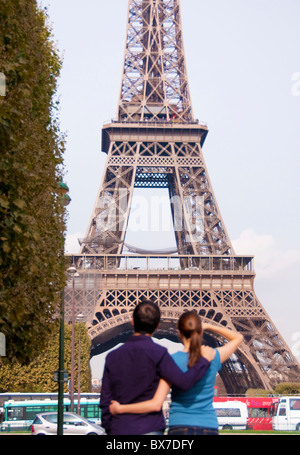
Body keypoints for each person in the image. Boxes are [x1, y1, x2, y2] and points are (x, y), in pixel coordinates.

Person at [109, 311, 244, 435]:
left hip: (180, 425)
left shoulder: (169, 361)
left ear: (179, 332)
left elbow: (156, 403)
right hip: (208, 426)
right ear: (199, 331)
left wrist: (120, 409)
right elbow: (238, 338)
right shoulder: (212, 355)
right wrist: (210, 326)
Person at [100, 300, 216, 435]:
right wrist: (204, 361)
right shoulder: (159, 354)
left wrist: (112, 428)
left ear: (132, 322)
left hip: (120, 428)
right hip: (150, 428)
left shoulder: (112, 357)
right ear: (157, 325)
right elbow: (184, 382)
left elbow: (105, 401)